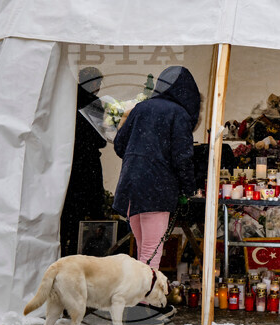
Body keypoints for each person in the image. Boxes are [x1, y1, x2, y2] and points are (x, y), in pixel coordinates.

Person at [113, 66, 201, 271]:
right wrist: (189, 188)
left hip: (130, 187)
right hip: (157, 188)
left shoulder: (141, 108)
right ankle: (146, 299)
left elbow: (119, 145)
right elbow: (183, 157)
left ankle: (140, 296)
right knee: (151, 250)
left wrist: (139, 159)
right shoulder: (179, 114)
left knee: (142, 248)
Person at [61, 67, 108, 256]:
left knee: (66, 213)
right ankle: (80, 255)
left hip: (67, 161)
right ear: (95, 83)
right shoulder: (94, 103)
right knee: (87, 214)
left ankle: (62, 252)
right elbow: (100, 139)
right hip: (87, 164)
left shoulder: (66, 99)